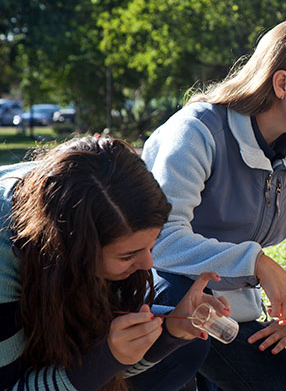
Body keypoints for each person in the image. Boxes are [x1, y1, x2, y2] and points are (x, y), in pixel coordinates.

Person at [141, 16, 286, 390]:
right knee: (189, 336)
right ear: (282, 82)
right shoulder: (197, 132)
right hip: (161, 301)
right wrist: (256, 262)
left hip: (233, 316)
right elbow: (158, 240)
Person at [0, 136, 231, 391]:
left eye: (152, 243)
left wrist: (170, 331)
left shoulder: (100, 192)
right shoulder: (5, 262)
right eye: (128, 255)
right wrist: (106, 359)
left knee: (187, 345)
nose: (148, 263)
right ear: (74, 250)